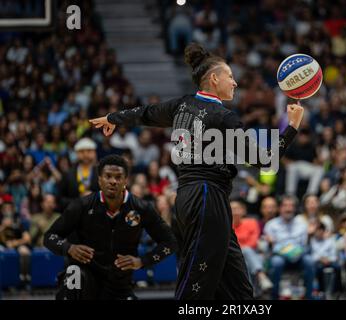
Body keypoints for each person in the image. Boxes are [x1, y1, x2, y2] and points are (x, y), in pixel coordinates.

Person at [89, 43, 304, 300]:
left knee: (239, 290)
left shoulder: (181, 105)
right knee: (196, 284)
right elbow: (264, 160)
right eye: (231, 77)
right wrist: (291, 127)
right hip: (206, 198)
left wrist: (113, 118)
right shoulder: (224, 117)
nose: (235, 83)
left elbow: (144, 113)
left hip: (193, 199)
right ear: (214, 79)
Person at [44, 155, 177, 300]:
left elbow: (170, 242)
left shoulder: (142, 208)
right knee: (73, 272)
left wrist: (143, 261)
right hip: (86, 278)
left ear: (126, 181)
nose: (113, 181)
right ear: (100, 180)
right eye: (108, 176)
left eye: (118, 177)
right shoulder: (81, 205)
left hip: (119, 285)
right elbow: (49, 236)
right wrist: (68, 248)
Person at [263, 195, 315, 300]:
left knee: (310, 261)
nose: (288, 209)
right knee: (277, 262)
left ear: (295, 208)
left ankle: (309, 296)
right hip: (280, 256)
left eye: (291, 206)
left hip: (299, 256)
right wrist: (271, 244)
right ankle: (274, 296)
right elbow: (269, 247)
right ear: (279, 208)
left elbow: (304, 245)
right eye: (285, 206)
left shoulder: (302, 224)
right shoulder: (271, 225)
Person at [58, 137, 99, 211]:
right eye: (82, 151)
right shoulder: (68, 174)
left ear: (94, 153)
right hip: (74, 214)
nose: (85, 155)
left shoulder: (100, 173)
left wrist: (93, 198)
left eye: (89, 151)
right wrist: (79, 201)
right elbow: (60, 199)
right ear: (76, 153)